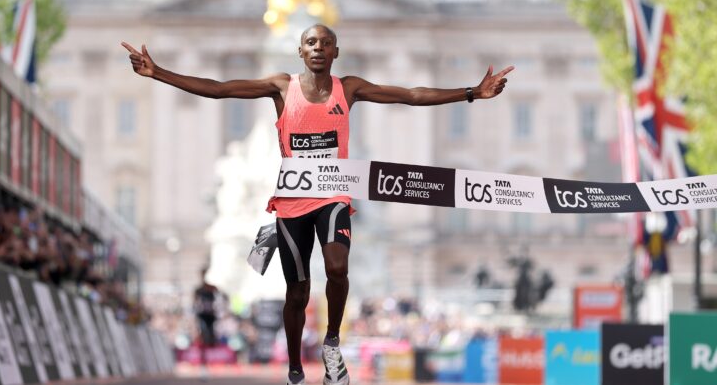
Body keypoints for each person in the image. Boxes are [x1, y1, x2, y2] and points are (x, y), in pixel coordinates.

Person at [122, 25, 512, 385]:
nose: (319, 49)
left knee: (338, 268)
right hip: (292, 202)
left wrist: (471, 93)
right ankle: (295, 368)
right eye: (312, 43)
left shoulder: (350, 88)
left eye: (326, 43)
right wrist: (158, 73)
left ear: (336, 51)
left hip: (333, 194)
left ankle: (331, 342)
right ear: (300, 51)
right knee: (297, 291)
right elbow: (219, 88)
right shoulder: (281, 87)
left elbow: (409, 95)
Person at [193, 267, 221, 380]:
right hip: (202, 317)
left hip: (211, 317)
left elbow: (220, 299)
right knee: (203, 341)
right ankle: (204, 367)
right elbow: (194, 303)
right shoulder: (198, 290)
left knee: (210, 341)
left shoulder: (213, 288)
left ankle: (206, 365)